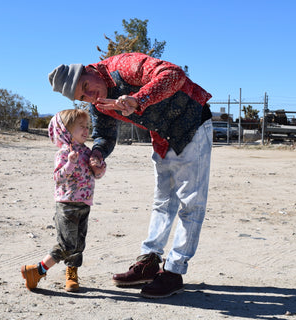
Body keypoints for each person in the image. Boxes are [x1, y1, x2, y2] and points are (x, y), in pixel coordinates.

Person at [48, 52, 213, 299]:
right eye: (82, 97)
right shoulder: (98, 104)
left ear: (89, 70)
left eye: (86, 86)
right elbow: (104, 136)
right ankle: (149, 262)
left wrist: (138, 99)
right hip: (162, 137)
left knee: (191, 203)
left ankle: (174, 271)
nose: (91, 96)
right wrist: (98, 154)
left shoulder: (122, 65)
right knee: (163, 202)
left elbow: (174, 74)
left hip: (192, 125)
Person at [21, 109, 106, 292]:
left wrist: (99, 168)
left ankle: (72, 274)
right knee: (67, 244)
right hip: (66, 204)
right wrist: (70, 163)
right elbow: (58, 178)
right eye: (81, 127)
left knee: (79, 243)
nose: (86, 130)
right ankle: (37, 270)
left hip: (85, 203)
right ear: (66, 131)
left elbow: (95, 175)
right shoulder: (63, 154)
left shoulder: (88, 152)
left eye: (87, 126)